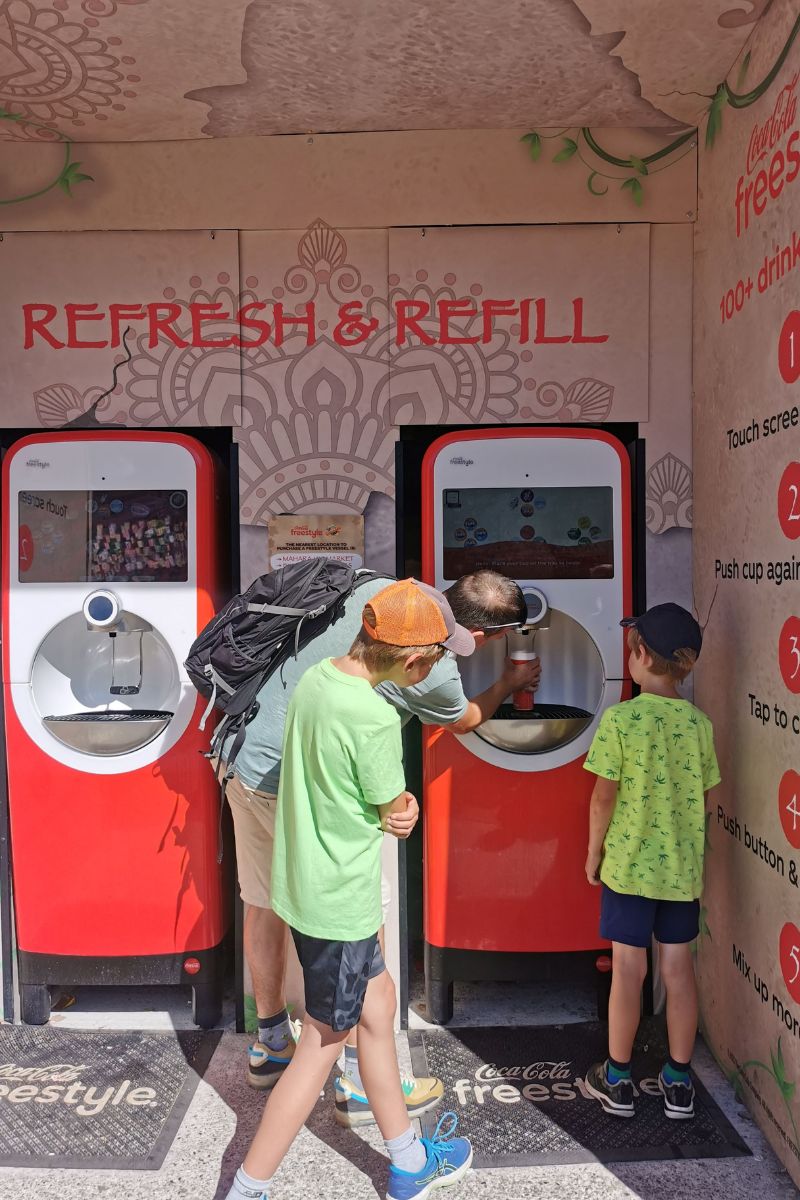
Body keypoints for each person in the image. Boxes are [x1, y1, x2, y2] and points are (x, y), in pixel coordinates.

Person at [221, 568, 540, 1125]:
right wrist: (509, 687)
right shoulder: (433, 667)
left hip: (244, 759)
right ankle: (358, 1078)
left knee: (261, 901)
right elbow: (464, 720)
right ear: (483, 636)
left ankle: (270, 1041)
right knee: (364, 923)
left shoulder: (381, 595)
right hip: (305, 791)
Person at [225, 580, 473, 1200]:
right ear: (413, 663)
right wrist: (406, 806)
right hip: (343, 903)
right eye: (438, 658)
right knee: (321, 1042)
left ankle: (409, 1159)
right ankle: (250, 1185)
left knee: (380, 1005)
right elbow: (394, 807)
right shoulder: (376, 718)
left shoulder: (318, 679)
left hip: (305, 887)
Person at [582, 603, 720, 1120]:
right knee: (678, 971)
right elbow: (706, 801)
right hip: (681, 874)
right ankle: (678, 1082)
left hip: (629, 869)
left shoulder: (622, 719)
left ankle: (618, 1079)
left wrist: (594, 853)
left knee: (628, 970)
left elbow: (603, 798)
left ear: (640, 655)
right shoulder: (699, 725)